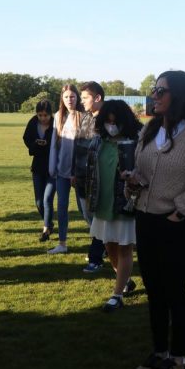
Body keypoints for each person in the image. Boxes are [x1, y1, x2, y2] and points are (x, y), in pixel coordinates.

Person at [126, 71, 185, 369]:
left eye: (161, 90)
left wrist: (181, 213)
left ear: (178, 94)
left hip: (176, 225)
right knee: (154, 291)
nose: (154, 94)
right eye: (154, 89)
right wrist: (134, 181)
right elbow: (143, 170)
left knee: (175, 292)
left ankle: (179, 359)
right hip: (145, 220)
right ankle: (160, 351)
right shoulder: (151, 129)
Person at [86, 99, 143, 311]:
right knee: (109, 244)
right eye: (107, 121)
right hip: (102, 203)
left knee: (125, 247)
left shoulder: (136, 141)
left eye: (115, 121)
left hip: (126, 203)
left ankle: (117, 294)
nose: (111, 126)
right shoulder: (98, 141)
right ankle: (125, 279)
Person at [47, 85, 85, 254]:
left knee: (85, 210)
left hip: (78, 173)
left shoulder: (84, 116)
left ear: (77, 97)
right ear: (62, 99)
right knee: (61, 207)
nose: (70, 99)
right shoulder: (58, 116)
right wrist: (52, 166)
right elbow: (55, 144)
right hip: (61, 172)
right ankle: (62, 244)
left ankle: (103, 243)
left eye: (72, 96)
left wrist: (77, 172)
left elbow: (84, 148)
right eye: (66, 96)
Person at [74, 82, 108, 273]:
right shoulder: (86, 117)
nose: (82, 101)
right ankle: (105, 248)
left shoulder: (107, 121)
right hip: (80, 178)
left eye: (85, 97)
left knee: (98, 220)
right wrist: (73, 172)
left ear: (97, 98)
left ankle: (97, 257)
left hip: (97, 180)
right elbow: (78, 146)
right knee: (89, 218)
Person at [23, 99, 56, 241]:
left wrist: (47, 144)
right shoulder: (32, 122)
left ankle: (46, 230)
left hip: (53, 167)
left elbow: (60, 143)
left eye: (45, 115)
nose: (43, 118)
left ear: (50, 114)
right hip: (37, 166)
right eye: (40, 115)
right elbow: (26, 138)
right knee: (38, 202)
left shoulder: (56, 124)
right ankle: (49, 223)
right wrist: (35, 144)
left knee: (47, 199)